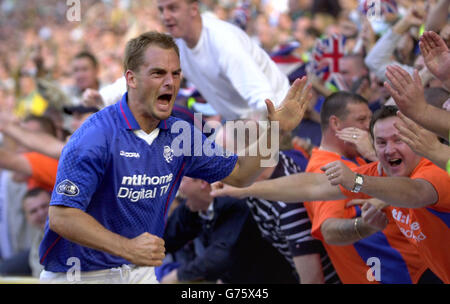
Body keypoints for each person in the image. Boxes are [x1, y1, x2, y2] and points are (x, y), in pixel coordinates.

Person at [38, 31, 311, 284]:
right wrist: (127, 247)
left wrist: (276, 130)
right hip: (79, 274)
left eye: (176, 73)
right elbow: (63, 216)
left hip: (138, 271)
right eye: (158, 73)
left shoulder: (180, 133)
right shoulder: (94, 136)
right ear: (131, 79)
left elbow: (240, 174)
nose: (170, 82)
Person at [211, 105, 450, 283]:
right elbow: (311, 186)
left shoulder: (432, 171)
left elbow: (416, 192)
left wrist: (356, 182)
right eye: (381, 142)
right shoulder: (378, 170)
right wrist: (245, 189)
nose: (389, 149)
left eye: (399, 139)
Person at [87, 0, 291, 121]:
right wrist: (104, 97)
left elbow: (265, 100)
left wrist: (259, 142)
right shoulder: (178, 44)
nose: (165, 16)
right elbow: (145, 72)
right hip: (245, 123)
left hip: (279, 117)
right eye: (161, 9)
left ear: (193, 8)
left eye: (173, 8)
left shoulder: (222, 41)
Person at [302, 92, 431, 283]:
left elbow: (409, 188)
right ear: (336, 124)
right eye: (362, 120)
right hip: (392, 275)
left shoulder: (358, 154)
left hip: (416, 268)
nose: (368, 127)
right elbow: (329, 230)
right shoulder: (325, 168)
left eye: (370, 119)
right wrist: (366, 225)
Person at [159, 176, 298, 284]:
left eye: (182, 179)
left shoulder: (233, 203)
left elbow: (219, 257)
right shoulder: (194, 206)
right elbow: (170, 235)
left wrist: (177, 276)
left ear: (202, 181)